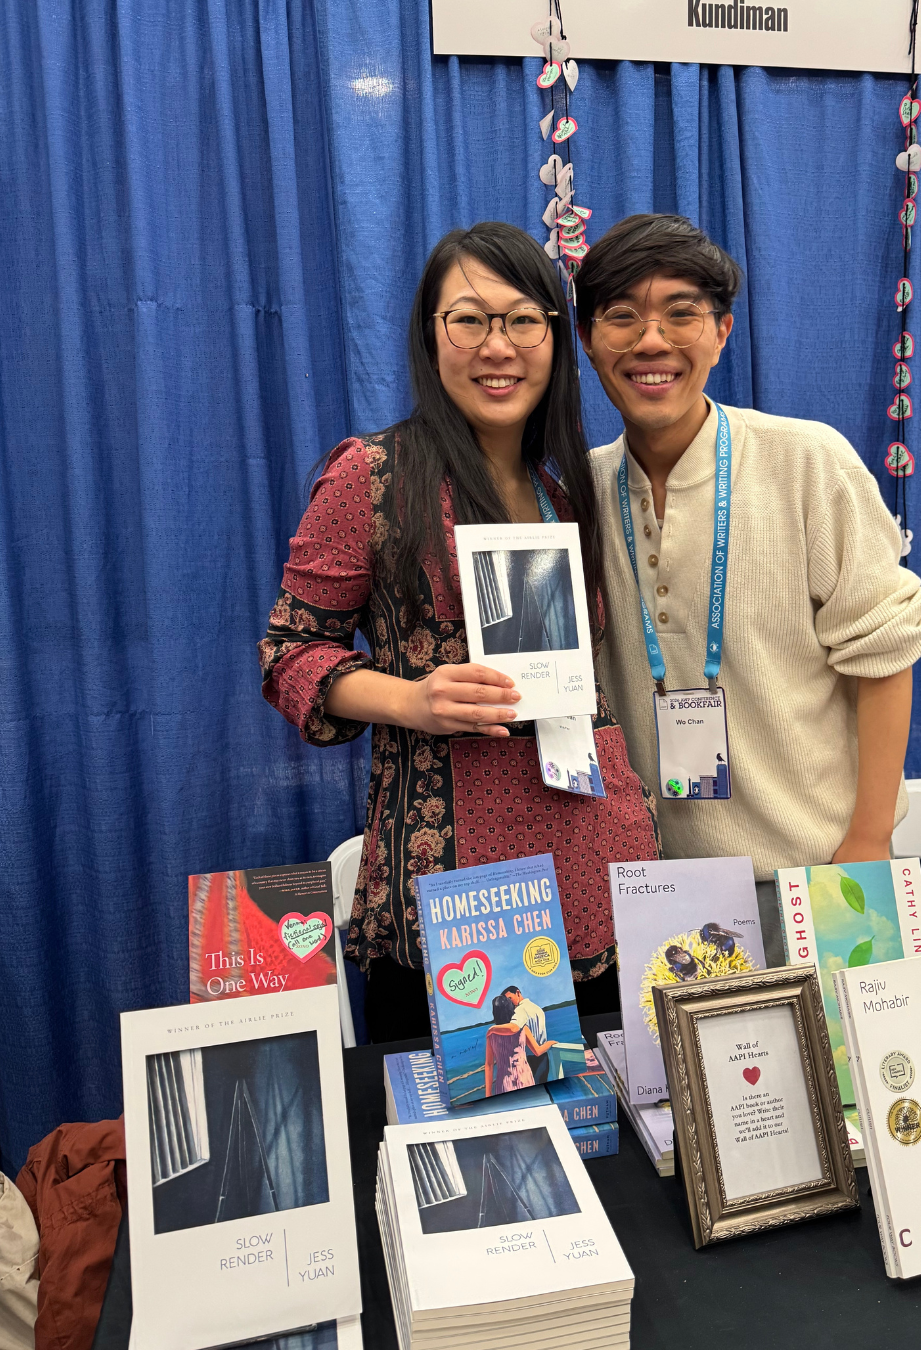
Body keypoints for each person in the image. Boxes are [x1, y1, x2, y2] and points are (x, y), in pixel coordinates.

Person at [259, 222, 661, 1040]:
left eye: (523, 320)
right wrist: (414, 701)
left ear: (554, 337)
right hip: (459, 896)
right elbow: (289, 655)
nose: (498, 346)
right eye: (469, 320)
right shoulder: (373, 477)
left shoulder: (566, 486)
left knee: (610, 1140)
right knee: (476, 1140)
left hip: (597, 868)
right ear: (430, 335)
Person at [575, 215, 921, 948]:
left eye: (681, 313)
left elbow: (886, 651)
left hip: (821, 875)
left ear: (722, 332)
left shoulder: (807, 461)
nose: (651, 340)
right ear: (587, 341)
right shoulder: (580, 488)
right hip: (662, 888)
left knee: (843, 1066)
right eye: (621, 317)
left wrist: (865, 844)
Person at [485, 994, 555, 1095]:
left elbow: (489, 1065)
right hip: (524, 1077)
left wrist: (488, 1094)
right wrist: (550, 1043)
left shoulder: (491, 1035)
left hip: (504, 1082)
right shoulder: (523, 1028)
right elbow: (537, 1051)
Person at [502, 986, 549, 1083]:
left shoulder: (519, 1011)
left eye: (510, 998)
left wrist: (493, 1030)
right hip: (544, 1057)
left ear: (518, 993)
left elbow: (513, 1028)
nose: (509, 1003)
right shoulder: (537, 1008)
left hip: (528, 1060)